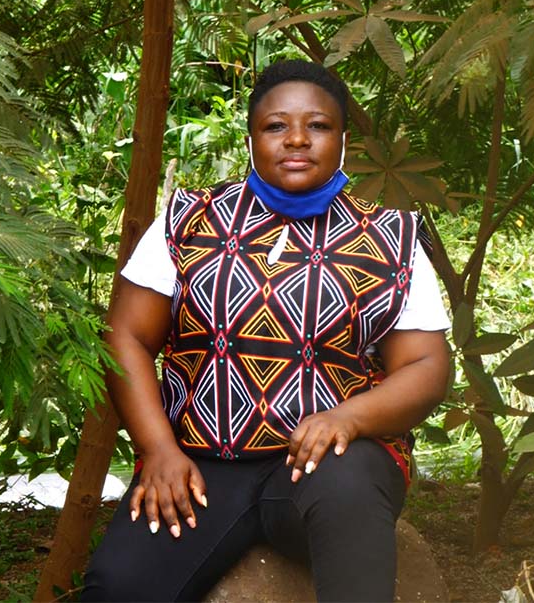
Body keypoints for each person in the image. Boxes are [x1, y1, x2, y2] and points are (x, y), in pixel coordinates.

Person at [82, 59, 451, 602]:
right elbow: (126, 337)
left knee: (349, 491)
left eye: (318, 125)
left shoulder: (389, 237)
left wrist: (347, 418)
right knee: (119, 588)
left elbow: (426, 366)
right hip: (201, 462)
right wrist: (157, 449)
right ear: (251, 139)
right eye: (276, 125)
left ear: (343, 141)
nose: (297, 139)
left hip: (325, 466)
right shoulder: (188, 220)